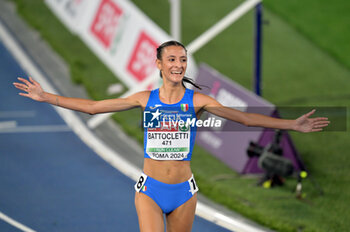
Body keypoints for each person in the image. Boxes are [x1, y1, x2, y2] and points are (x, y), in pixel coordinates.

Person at [13, 40, 330, 232]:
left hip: (184, 193)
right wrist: (47, 97)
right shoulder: (143, 98)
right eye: (172, 60)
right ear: (159, 64)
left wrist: (291, 125)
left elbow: (245, 119)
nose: (179, 65)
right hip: (150, 189)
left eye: (182, 60)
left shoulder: (197, 102)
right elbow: (94, 107)